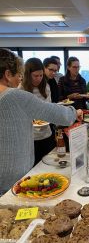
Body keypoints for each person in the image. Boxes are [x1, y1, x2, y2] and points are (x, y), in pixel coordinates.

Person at [0, 48, 83, 195]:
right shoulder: (15, 96)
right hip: (11, 182)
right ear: (7, 74)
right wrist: (74, 112)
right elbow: (54, 113)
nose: (19, 79)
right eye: (17, 75)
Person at [21, 57, 57, 165]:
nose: (39, 79)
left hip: (46, 134)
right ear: (28, 75)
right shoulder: (21, 89)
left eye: (41, 75)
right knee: (34, 168)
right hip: (30, 138)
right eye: (35, 76)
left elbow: (49, 108)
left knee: (49, 165)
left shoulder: (45, 86)